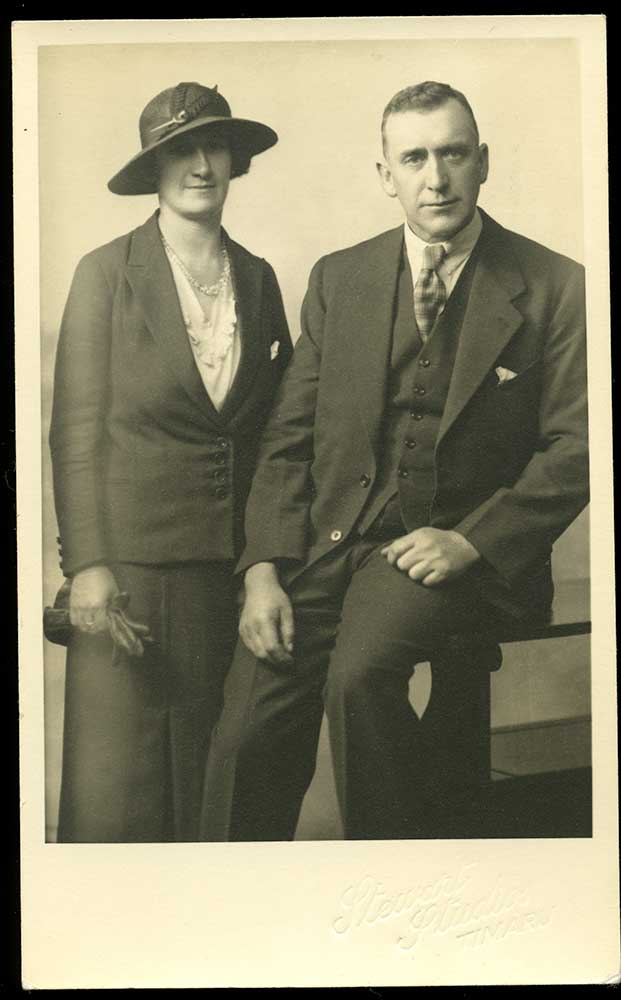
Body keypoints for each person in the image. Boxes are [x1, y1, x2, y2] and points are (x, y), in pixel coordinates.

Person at [204, 80, 589, 841]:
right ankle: (229, 904)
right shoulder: (339, 278)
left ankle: (398, 893)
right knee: (248, 723)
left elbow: (578, 446)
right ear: (386, 174)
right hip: (331, 543)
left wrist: (471, 540)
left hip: (456, 553)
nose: (435, 177)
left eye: (451, 154)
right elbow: (290, 437)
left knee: (359, 679)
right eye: (413, 157)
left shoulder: (554, 284)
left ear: (483, 162)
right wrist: (262, 571)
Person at [49, 81, 293, 842]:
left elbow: (275, 438)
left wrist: (262, 564)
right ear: (153, 168)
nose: (199, 164)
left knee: (211, 795)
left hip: (227, 579)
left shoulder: (257, 279)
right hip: (132, 580)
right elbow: (76, 431)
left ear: (234, 159)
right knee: (119, 801)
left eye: (213, 145)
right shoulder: (104, 273)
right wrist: (87, 564)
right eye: (179, 150)